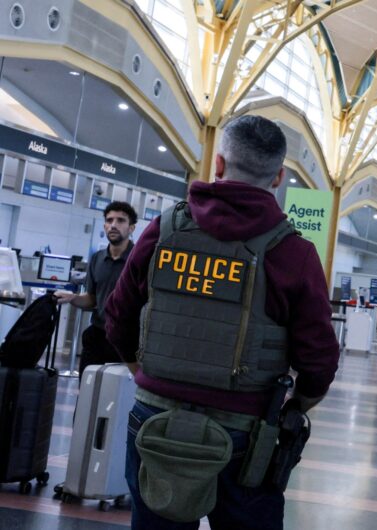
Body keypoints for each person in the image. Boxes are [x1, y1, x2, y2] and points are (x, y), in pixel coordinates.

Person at [104, 114, 339, 529]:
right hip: (245, 433)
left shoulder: (165, 230)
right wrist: (296, 405)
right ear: (278, 177)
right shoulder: (294, 253)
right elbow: (319, 360)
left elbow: (117, 315)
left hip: (154, 419)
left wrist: (144, 374)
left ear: (218, 163)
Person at [55, 201, 137, 377]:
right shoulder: (97, 259)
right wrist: (73, 298)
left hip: (127, 340)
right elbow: (92, 299)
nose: (113, 225)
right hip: (98, 335)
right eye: (109, 220)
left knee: (118, 390)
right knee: (87, 387)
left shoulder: (140, 259)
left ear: (131, 228)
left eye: (121, 220)